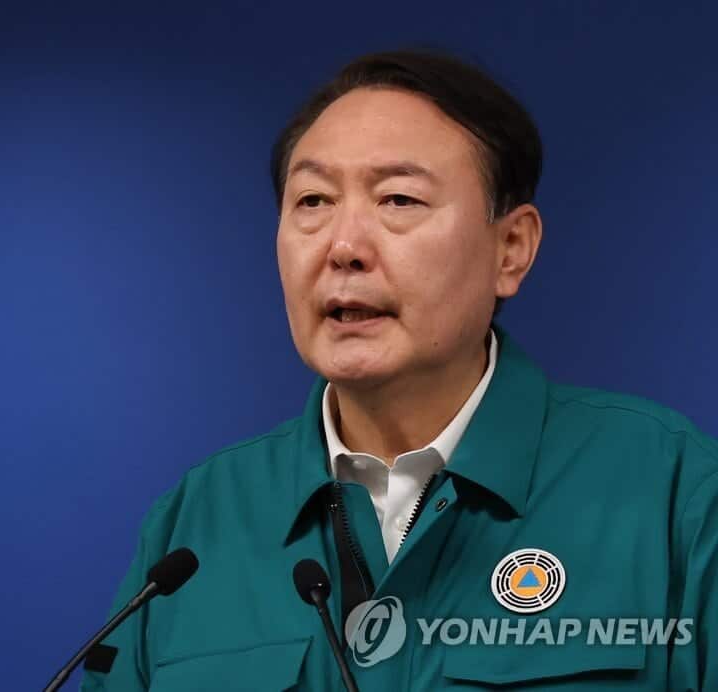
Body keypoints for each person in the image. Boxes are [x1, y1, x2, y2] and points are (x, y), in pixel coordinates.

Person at [79, 50, 718, 690]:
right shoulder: (195, 525)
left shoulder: (672, 493)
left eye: (399, 199)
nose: (344, 247)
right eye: (313, 200)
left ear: (511, 249)